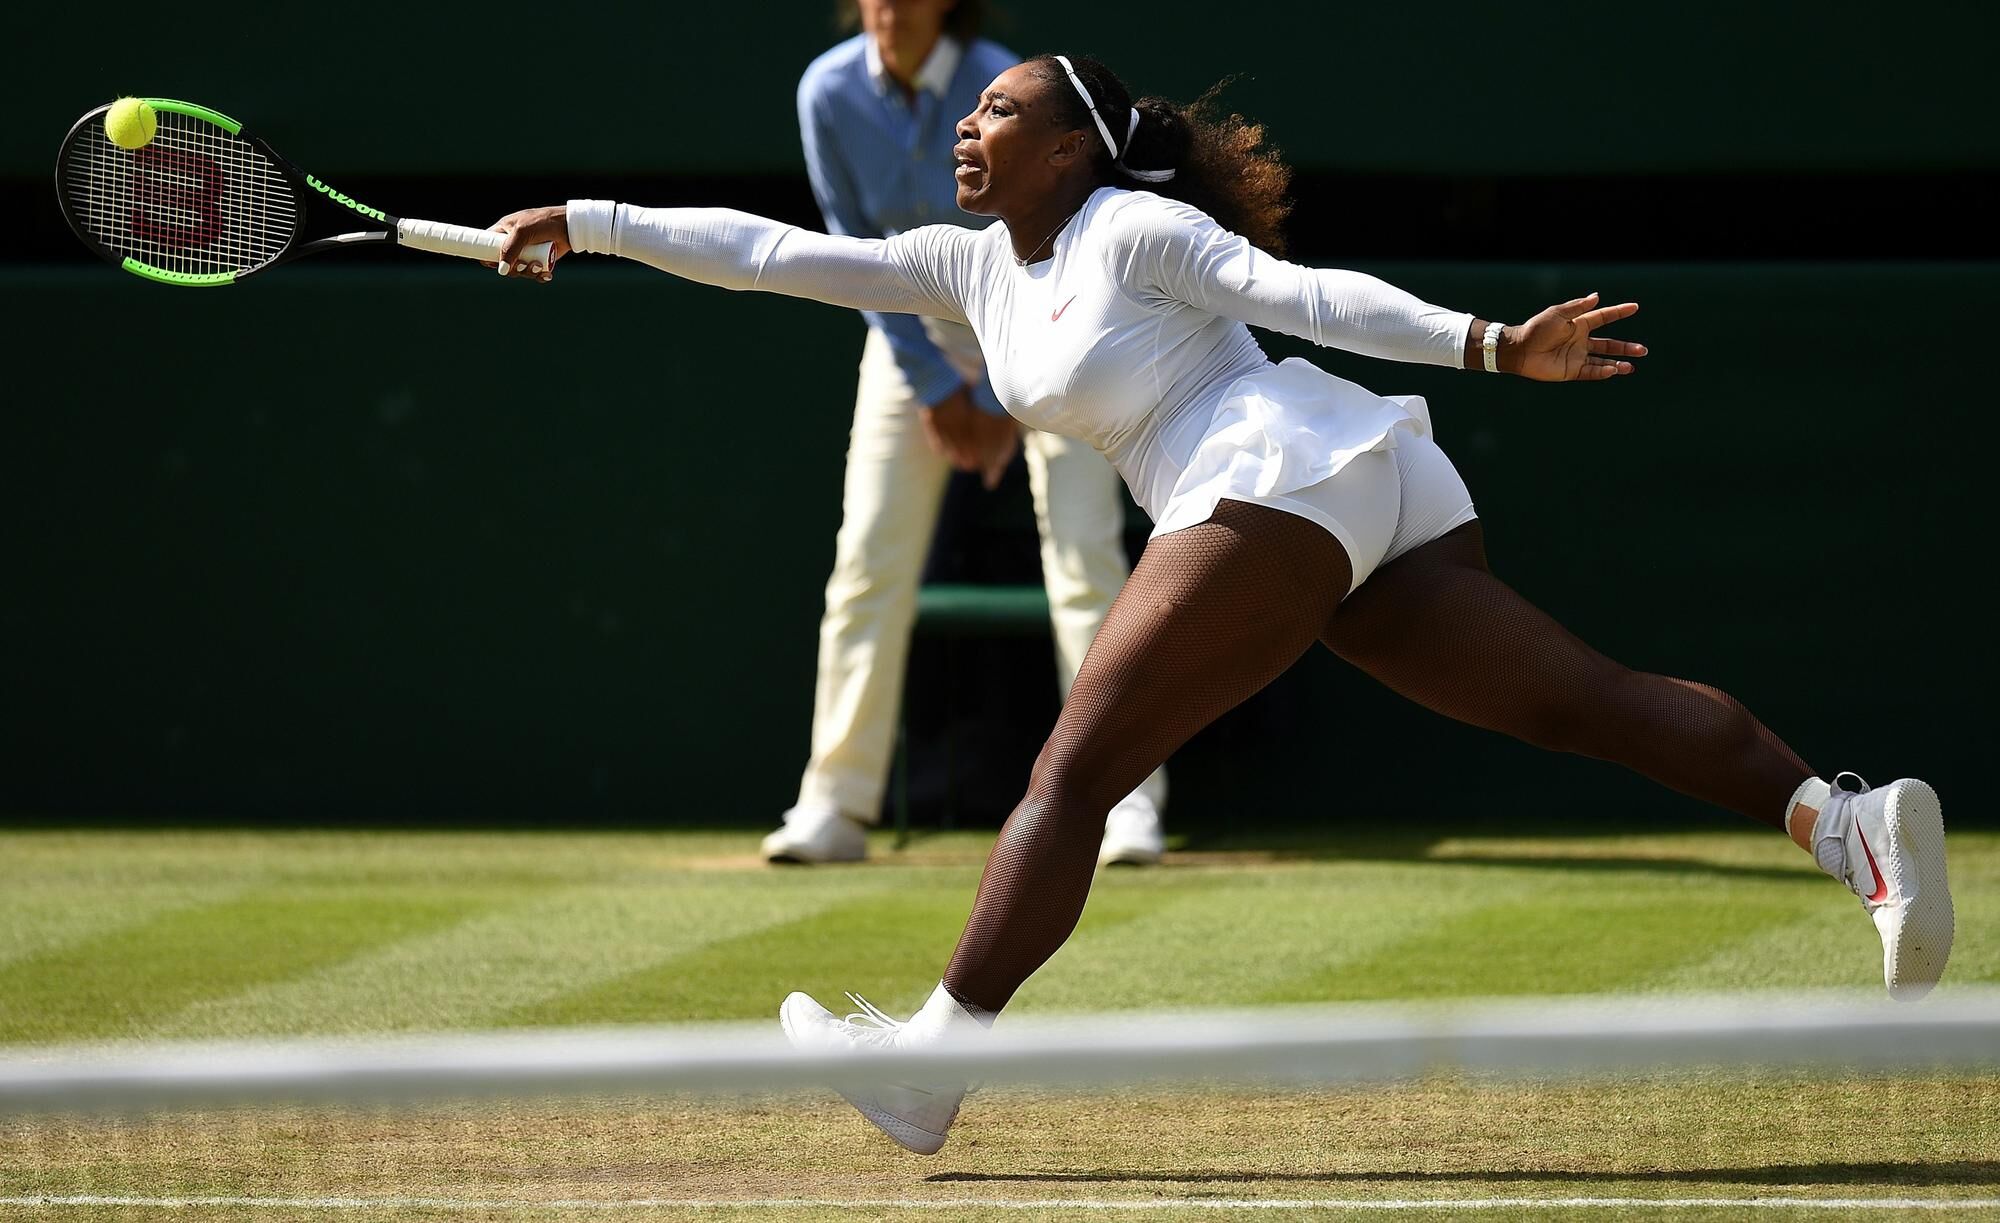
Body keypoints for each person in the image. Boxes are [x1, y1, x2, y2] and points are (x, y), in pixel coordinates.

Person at [489, 52, 1953, 1155]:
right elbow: (771, 256)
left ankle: (934, 1058)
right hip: (1341, 484)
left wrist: (1495, 346)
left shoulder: (1130, 229)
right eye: (970, 114)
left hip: (1269, 474)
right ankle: (1848, 820)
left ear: (1075, 148)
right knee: (1578, 699)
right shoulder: (965, 267)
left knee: (1075, 768)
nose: (969, 130)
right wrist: (596, 219)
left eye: (1001, 112)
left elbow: (1303, 293)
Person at [767, 0, 1170, 867]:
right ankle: (832, 806)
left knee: (1087, 562)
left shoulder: (1012, 80)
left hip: (1052, 328)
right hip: (909, 338)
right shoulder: (826, 91)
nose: (886, 12)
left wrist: (996, 393)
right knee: (866, 564)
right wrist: (929, 380)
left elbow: (1062, 229)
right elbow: (850, 244)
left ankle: (1126, 801)